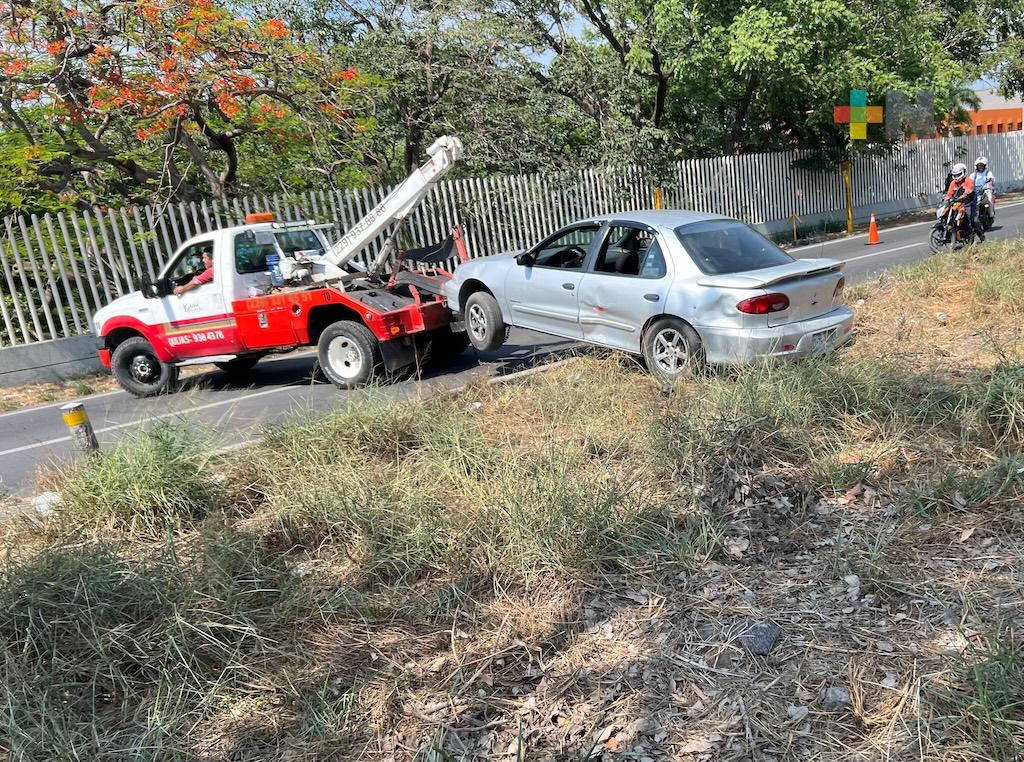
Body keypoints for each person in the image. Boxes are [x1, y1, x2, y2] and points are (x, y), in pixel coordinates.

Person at [942, 162, 985, 243]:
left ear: (963, 172)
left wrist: (963, 195)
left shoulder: (969, 181)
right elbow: (949, 194)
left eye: (958, 174)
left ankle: (981, 235)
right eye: (955, 175)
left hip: (969, 203)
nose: (956, 177)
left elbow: (968, 191)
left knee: (973, 220)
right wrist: (946, 200)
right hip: (957, 203)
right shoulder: (953, 183)